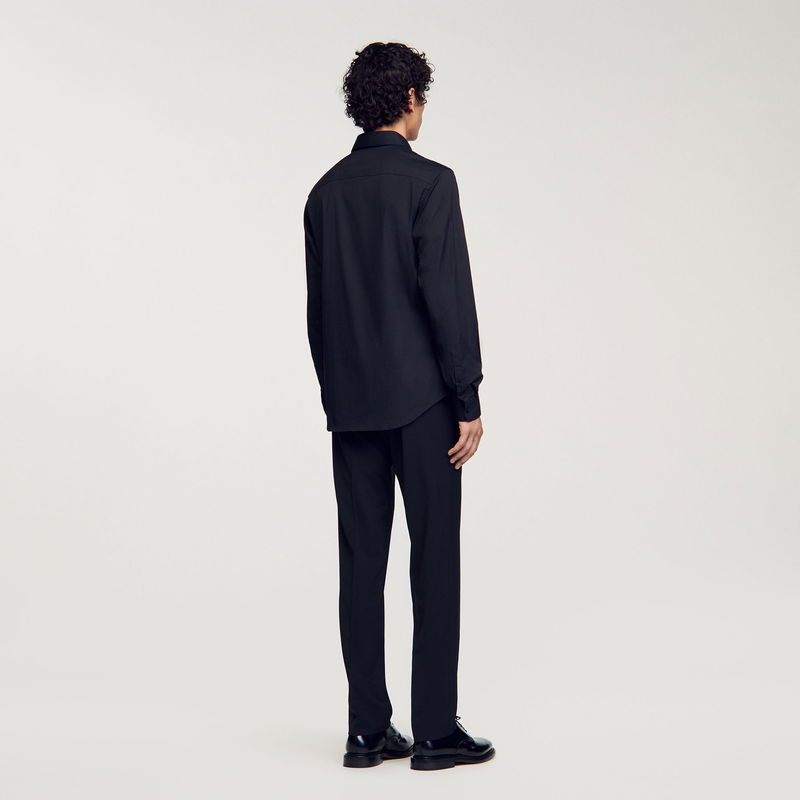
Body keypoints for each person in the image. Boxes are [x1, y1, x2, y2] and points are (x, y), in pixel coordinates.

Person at [303, 41, 495, 771]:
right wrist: (466, 396)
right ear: (411, 98)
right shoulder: (430, 183)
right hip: (423, 404)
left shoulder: (325, 193)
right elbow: (447, 297)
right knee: (433, 559)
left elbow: (319, 315)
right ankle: (436, 731)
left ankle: (366, 731)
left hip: (351, 407)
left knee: (361, 564)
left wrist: (337, 395)